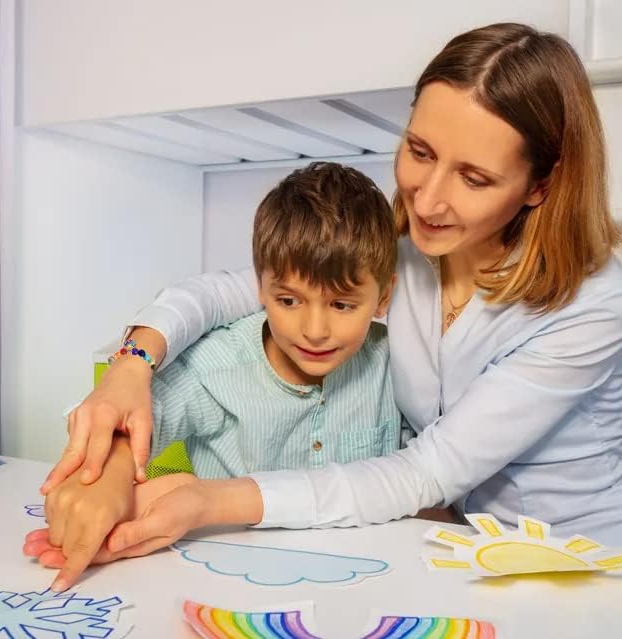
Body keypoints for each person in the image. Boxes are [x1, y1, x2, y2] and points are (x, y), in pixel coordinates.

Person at [37, 22, 622, 575]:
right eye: (419, 152)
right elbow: (227, 290)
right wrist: (131, 367)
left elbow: (425, 472)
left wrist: (207, 500)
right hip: (466, 553)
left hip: (591, 556)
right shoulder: (401, 259)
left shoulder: (594, 302)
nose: (426, 200)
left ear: (541, 185)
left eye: (475, 178)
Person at [28, 162, 411, 591]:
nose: (315, 330)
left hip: (368, 584)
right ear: (260, 290)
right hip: (227, 584)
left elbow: (422, 476)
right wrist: (112, 476)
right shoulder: (218, 365)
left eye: (342, 305)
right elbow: (128, 416)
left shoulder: (395, 364)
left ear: (384, 297)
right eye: (288, 300)